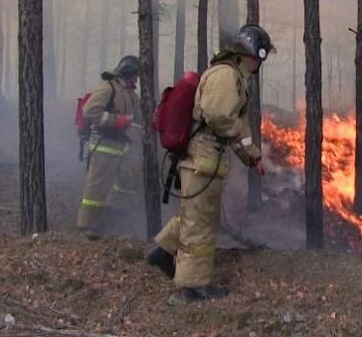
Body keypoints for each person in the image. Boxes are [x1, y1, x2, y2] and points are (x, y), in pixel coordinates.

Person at [146, 24, 274, 305]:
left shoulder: (234, 77)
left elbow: (237, 126)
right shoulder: (227, 75)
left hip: (207, 158)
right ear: (250, 53)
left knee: (196, 214)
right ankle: (192, 288)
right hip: (203, 157)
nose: (259, 64)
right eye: (259, 57)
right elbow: (220, 118)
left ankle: (164, 252)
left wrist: (252, 157)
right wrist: (241, 140)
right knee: (201, 222)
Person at [76, 55, 143, 241]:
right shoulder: (108, 88)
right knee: (96, 187)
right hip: (104, 144)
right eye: (135, 74)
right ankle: (87, 226)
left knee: (127, 182)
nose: (137, 78)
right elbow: (89, 111)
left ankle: (115, 218)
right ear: (128, 72)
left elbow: (139, 118)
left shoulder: (131, 94)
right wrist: (115, 121)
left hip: (122, 145)